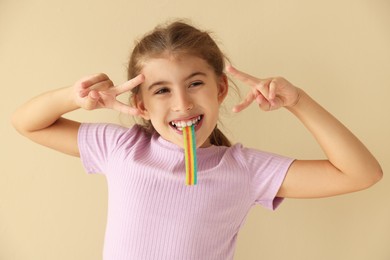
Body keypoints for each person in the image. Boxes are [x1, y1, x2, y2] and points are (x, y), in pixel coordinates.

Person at [11, 20, 382, 260]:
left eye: (195, 83)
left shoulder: (245, 170)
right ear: (139, 104)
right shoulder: (121, 150)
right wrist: (73, 98)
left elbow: (360, 174)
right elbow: (27, 123)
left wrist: (299, 101)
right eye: (161, 90)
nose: (183, 103)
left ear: (221, 89)